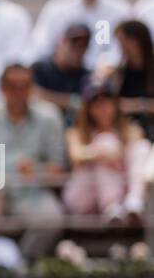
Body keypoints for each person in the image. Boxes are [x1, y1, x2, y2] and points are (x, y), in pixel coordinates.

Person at [0, 64, 68, 260]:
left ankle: (20, 265)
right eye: (13, 86)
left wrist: (37, 170)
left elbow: (57, 167)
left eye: (24, 86)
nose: (19, 93)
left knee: (51, 218)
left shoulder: (49, 117)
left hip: (30, 192)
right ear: (2, 88)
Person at [63, 83, 151, 223]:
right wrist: (99, 154)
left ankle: (134, 203)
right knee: (105, 142)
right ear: (87, 108)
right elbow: (76, 155)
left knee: (142, 147)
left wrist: (116, 154)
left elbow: (138, 148)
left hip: (120, 196)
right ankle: (111, 207)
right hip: (82, 197)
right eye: (96, 103)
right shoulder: (76, 132)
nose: (103, 107)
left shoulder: (130, 129)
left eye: (106, 101)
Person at [97, 19, 154, 140]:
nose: (122, 47)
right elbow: (111, 105)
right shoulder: (118, 73)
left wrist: (137, 104)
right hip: (127, 130)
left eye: (124, 41)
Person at [31, 23, 93, 122]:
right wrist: (71, 101)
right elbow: (33, 97)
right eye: (74, 43)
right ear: (62, 42)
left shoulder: (87, 76)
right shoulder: (40, 68)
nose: (79, 49)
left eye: (83, 45)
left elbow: (89, 105)